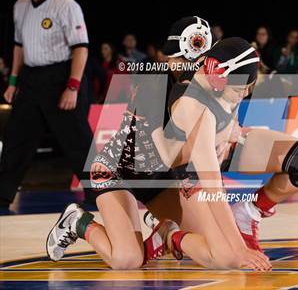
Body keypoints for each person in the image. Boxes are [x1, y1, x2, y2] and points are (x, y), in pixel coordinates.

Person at [47, 36, 273, 272]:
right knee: (127, 260)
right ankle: (77, 222)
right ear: (218, 76)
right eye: (240, 88)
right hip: (120, 171)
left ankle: (167, 234)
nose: (245, 94)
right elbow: (205, 179)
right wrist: (240, 248)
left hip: (158, 177)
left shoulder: (217, 88)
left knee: (223, 257)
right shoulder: (175, 95)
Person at [0, 0, 94, 214]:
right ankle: (2, 195)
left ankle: (101, 194)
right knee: (16, 138)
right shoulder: (20, 5)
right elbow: (18, 47)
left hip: (62, 77)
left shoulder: (66, 5)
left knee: (78, 141)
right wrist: (12, 81)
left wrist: (72, 87)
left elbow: (81, 49)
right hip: (31, 78)